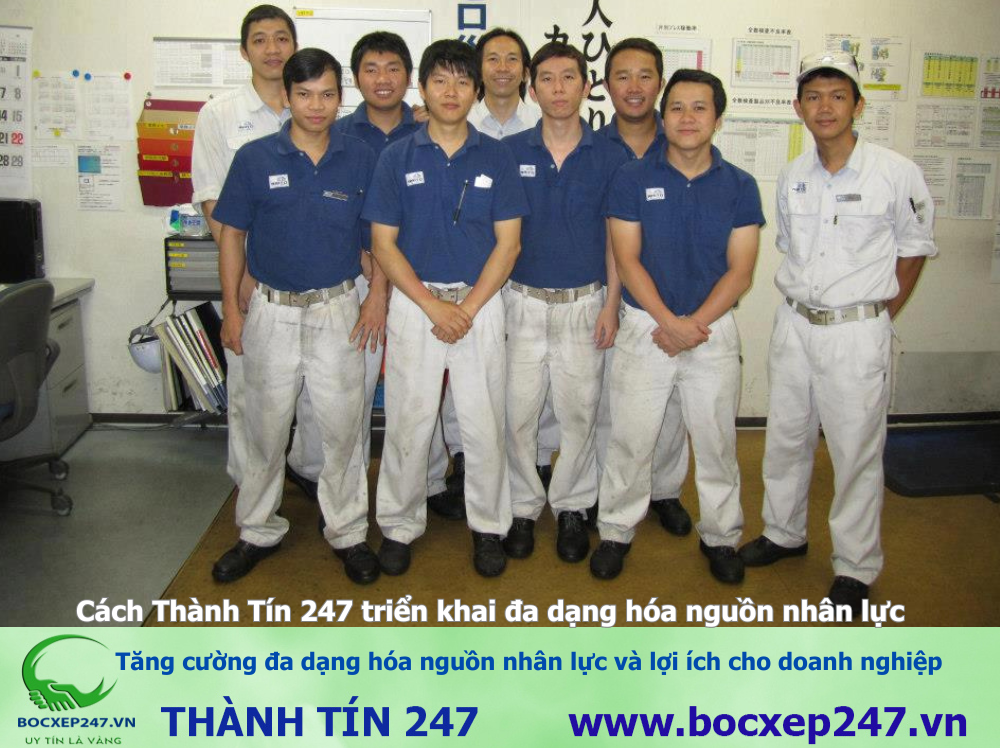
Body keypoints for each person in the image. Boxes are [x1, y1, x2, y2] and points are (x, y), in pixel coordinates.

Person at [740, 52, 937, 618]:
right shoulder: (794, 175)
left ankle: (854, 566)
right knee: (785, 437)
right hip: (795, 324)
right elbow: (792, 251)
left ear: (858, 105)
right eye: (813, 97)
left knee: (855, 453)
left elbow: (913, 251)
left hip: (855, 331)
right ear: (798, 106)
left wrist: (877, 316)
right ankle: (784, 532)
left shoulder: (895, 173)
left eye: (837, 96)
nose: (824, 107)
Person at [210, 48, 379, 585]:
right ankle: (257, 529)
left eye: (327, 94)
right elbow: (232, 235)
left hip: (337, 309)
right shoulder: (255, 158)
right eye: (304, 94)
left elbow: (376, 240)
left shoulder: (360, 158)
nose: (316, 105)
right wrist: (232, 310)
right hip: (271, 312)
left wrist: (378, 298)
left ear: (340, 98)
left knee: (343, 428)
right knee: (264, 429)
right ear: (286, 97)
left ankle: (348, 531)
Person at [363, 39, 528, 578]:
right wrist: (433, 306)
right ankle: (398, 525)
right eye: (440, 80)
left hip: (481, 304)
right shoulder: (397, 156)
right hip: (417, 306)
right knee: (409, 421)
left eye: (462, 81)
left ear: (476, 91)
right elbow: (383, 244)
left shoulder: (497, 156)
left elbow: (509, 244)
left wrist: (469, 307)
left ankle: (489, 527)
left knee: (483, 423)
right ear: (423, 88)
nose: (451, 91)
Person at [592, 69, 764, 582]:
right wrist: (668, 322)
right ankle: (616, 530)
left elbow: (741, 271)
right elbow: (627, 259)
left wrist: (693, 325)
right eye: (677, 108)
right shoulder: (631, 178)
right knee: (630, 438)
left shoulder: (739, 185)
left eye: (699, 107)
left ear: (718, 118)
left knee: (716, 443)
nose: (687, 118)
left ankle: (722, 537)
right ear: (663, 117)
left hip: (712, 331)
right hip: (646, 327)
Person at [190, 5, 322, 502]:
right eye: (260, 40)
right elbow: (213, 203)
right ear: (244, 51)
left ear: (294, 45)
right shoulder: (220, 114)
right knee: (252, 392)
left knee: (314, 393)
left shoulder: (316, 106)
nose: (272, 49)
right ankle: (252, 491)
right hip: (250, 278)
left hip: (315, 280)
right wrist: (244, 273)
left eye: (281, 38)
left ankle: (306, 470)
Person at [501, 42, 625, 562]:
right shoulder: (509, 153)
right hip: (522, 302)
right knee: (517, 415)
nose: (558, 88)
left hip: (585, 303)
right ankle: (523, 507)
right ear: (532, 90)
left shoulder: (611, 156)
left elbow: (619, 239)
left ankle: (573, 505)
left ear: (586, 87)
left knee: (580, 414)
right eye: (547, 79)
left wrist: (611, 304)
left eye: (569, 78)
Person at [331, 32, 455, 513]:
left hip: (418, 279)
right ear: (355, 77)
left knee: (422, 392)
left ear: (410, 77)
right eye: (371, 69)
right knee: (354, 391)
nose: (382, 79)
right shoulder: (338, 133)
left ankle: (429, 483)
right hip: (357, 276)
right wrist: (371, 278)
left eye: (393, 68)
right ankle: (351, 494)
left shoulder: (428, 129)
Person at [439, 28, 556, 494]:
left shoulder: (546, 121)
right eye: (492, 58)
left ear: (526, 71)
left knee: (533, 375)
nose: (502, 68)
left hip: (529, 271)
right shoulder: (457, 120)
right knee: (465, 373)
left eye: (512, 59)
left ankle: (538, 458)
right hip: (472, 274)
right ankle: (465, 456)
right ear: (478, 69)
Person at [597, 38, 692, 536]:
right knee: (609, 402)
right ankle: (609, 491)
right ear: (606, 84)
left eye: (645, 75)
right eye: (622, 76)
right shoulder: (590, 147)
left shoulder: (683, 142)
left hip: (668, 298)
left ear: (660, 82)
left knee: (670, 403)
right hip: (603, 294)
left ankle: (665, 490)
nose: (634, 87)